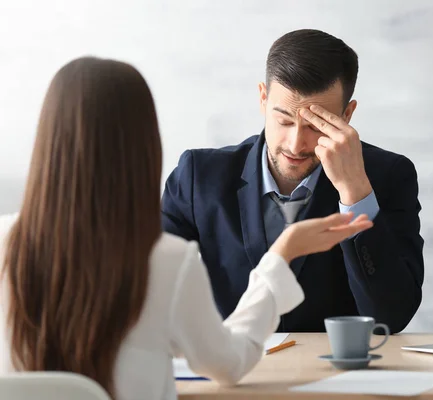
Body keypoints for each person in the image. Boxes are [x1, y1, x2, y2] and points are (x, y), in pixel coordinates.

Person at [0, 57, 372, 400]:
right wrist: (281, 255)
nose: (295, 140)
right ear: (144, 145)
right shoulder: (166, 261)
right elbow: (230, 364)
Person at [162, 29, 425, 334]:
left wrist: (354, 194)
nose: (296, 144)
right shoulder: (198, 176)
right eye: (284, 121)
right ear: (263, 98)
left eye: (316, 125)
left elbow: (391, 318)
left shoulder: (388, 175)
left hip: (342, 376)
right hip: (234, 368)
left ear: (347, 114)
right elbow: (148, 289)